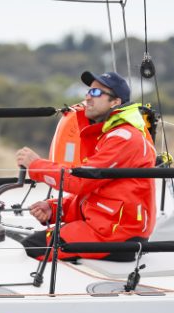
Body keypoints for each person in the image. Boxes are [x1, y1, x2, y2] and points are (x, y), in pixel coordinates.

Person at [15, 71, 156, 261]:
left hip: (117, 234)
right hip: (108, 227)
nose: (88, 97)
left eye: (96, 93)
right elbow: (93, 194)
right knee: (32, 242)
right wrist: (55, 209)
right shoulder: (110, 135)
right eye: (88, 91)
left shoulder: (124, 138)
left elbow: (80, 181)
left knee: (31, 246)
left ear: (115, 102)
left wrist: (36, 165)